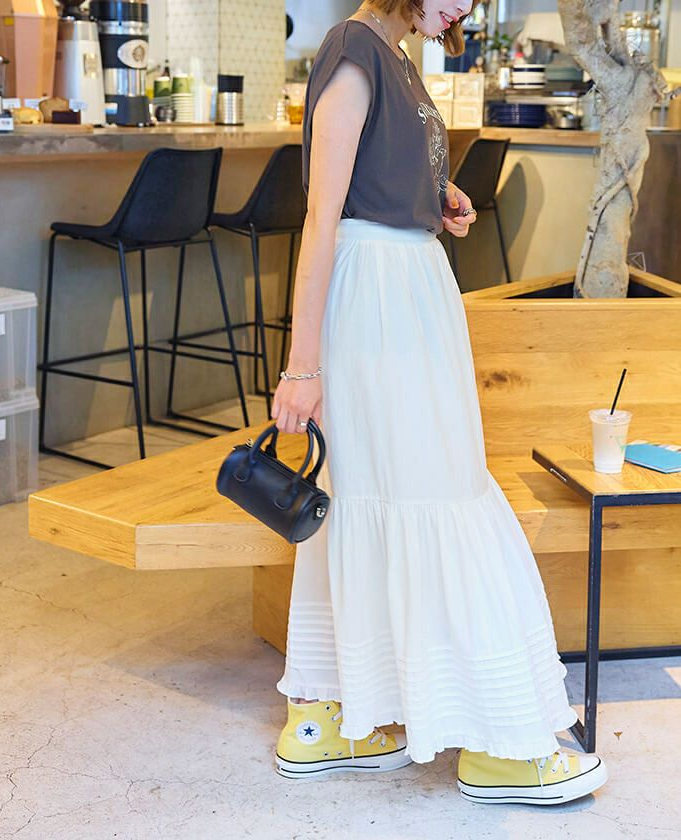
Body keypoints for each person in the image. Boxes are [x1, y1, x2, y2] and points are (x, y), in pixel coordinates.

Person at [271, 0, 608, 805]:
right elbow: (323, 215)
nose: (465, 4)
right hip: (377, 304)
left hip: (409, 291)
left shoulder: (392, 52)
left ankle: (334, 718)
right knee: (428, 492)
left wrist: (433, 194)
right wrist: (301, 367)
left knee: (388, 491)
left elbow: (372, 176)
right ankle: (496, 743)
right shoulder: (354, 47)